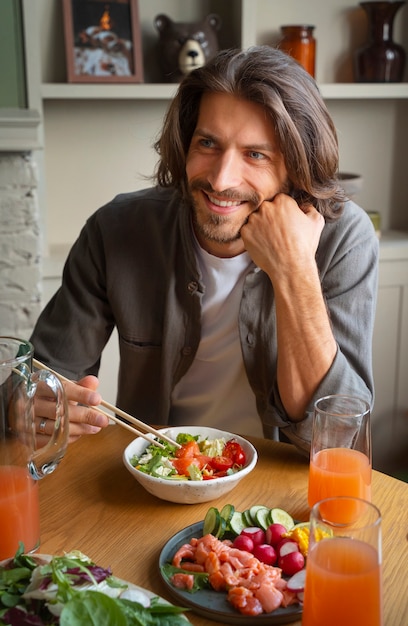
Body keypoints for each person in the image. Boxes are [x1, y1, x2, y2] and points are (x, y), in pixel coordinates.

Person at [30, 46, 379, 454]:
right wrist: (36, 407)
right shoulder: (117, 228)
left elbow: (336, 437)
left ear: (296, 167)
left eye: (255, 154)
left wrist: (294, 268)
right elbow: (42, 377)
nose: (220, 179)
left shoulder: (345, 238)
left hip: (284, 493)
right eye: (208, 143)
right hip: (158, 475)